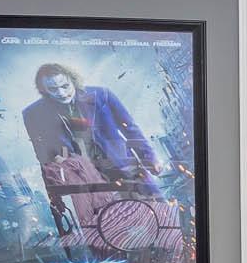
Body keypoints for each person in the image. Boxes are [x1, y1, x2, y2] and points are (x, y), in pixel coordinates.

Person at [20, 63, 164, 198]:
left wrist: (149, 157)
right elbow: (43, 155)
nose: (62, 93)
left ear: (73, 81)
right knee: (111, 222)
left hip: (123, 166)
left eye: (65, 86)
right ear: (43, 90)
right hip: (85, 181)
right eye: (53, 89)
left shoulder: (102, 95)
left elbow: (130, 129)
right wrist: (56, 189)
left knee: (161, 215)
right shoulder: (33, 114)